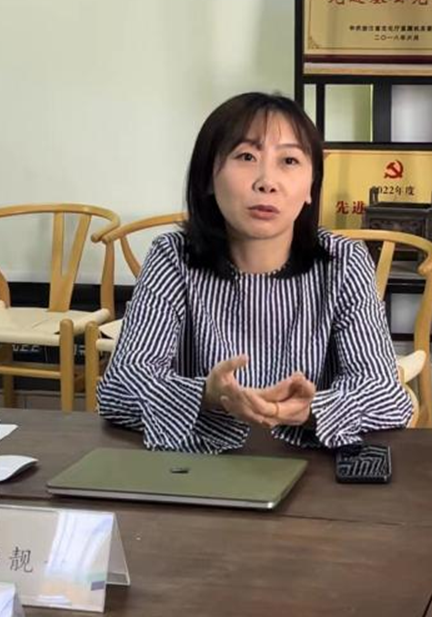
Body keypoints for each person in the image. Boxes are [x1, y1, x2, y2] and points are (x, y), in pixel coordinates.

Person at [98, 92, 413, 453]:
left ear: (311, 187)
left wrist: (311, 409)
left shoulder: (342, 262)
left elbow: (386, 396)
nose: (267, 181)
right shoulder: (173, 257)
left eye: (289, 160)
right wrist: (207, 395)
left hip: (309, 471)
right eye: (246, 156)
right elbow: (119, 389)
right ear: (207, 177)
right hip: (197, 469)